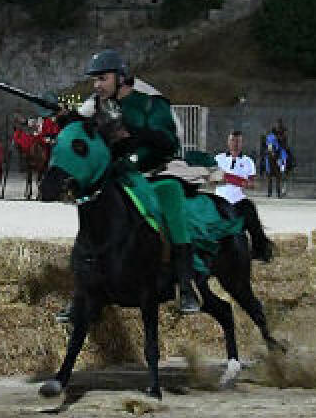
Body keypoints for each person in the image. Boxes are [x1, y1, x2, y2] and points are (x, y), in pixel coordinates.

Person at [77, 49, 243, 313]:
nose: (96, 85)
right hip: (121, 176)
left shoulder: (152, 103)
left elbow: (168, 142)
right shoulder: (99, 106)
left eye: (102, 78)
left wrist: (131, 130)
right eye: (94, 80)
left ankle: (187, 285)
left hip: (158, 172)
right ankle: (83, 291)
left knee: (170, 197)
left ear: (121, 78)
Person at [214, 131, 273, 262]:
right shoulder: (219, 159)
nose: (235, 144)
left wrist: (245, 183)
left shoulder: (248, 162)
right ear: (228, 142)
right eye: (232, 140)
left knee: (251, 212)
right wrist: (222, 179)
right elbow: (212, 178)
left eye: (238, 141)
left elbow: (252, 183)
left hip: (238, 200)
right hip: (220, 200)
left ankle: (259, 250)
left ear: (242, 143)